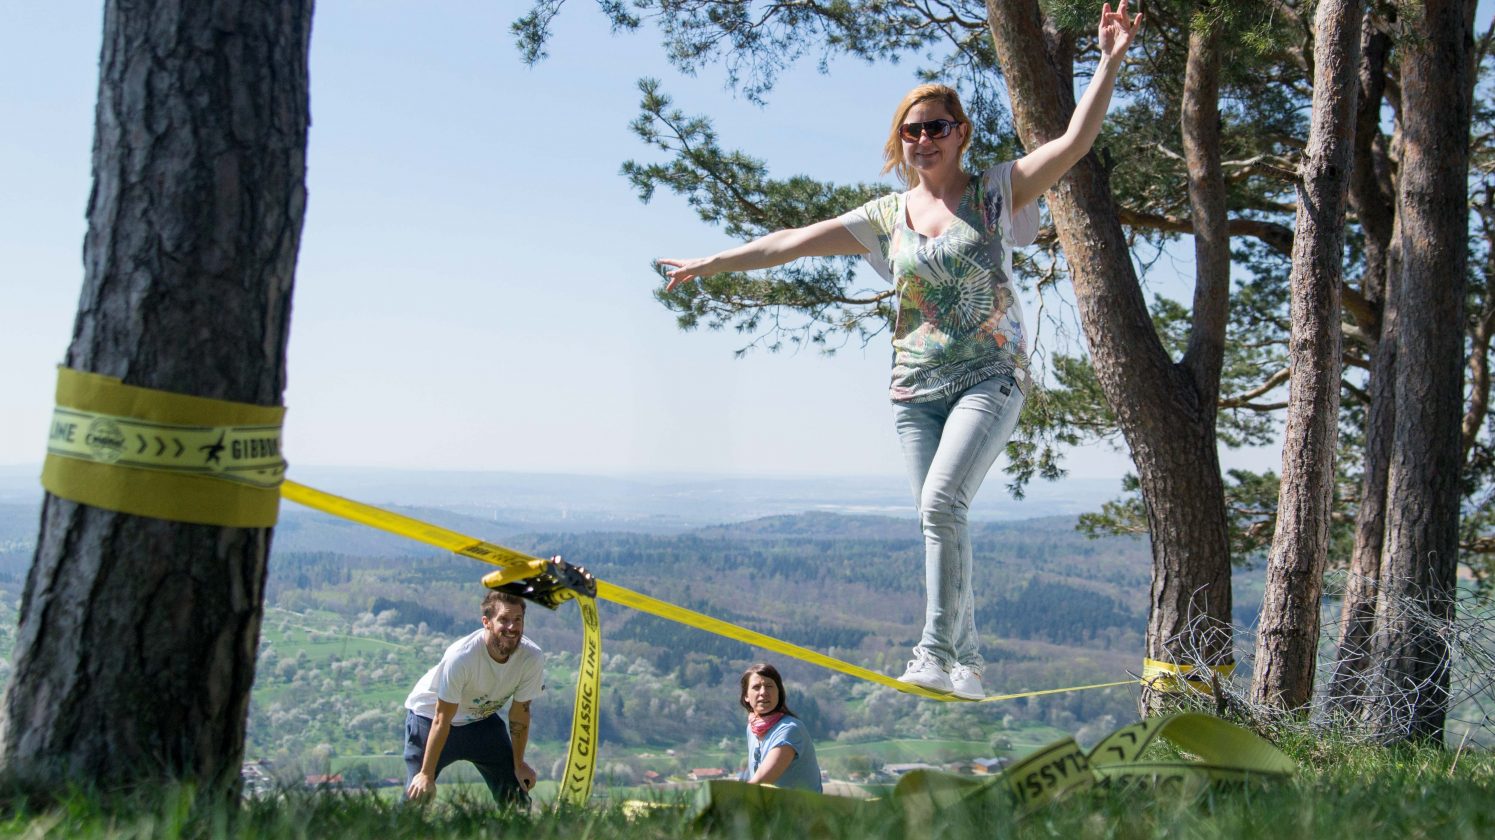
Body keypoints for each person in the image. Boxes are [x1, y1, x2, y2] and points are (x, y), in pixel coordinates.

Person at [658, 4, 1141, 701]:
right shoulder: (886, 218)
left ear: (960, 134)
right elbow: (787, 243)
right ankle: (968, 666)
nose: (922, 139)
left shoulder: (997, 192)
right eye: (910, 131)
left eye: (935, 127)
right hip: (913, 392)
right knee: (941, 519)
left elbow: (1071, 142)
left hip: (989, 377)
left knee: (940, 503)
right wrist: (711, 262)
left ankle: (933, 650)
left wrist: (1111, 60)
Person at [403, 589, 543, 807]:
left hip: (479, 722)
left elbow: (520, 713)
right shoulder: (462, 657)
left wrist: (518, 763)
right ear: (486, 622)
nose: (512, 627)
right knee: (416, 797)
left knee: (516, 795)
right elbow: (442, 718)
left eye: (518, 619)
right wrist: (426, 775)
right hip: (431, 719)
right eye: (503, 620)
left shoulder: (531, 657)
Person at [738, 663, 822, 792]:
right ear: (746, 696)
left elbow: (762, 781)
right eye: (756, 687)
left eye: (769, 686)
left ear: (779, 692)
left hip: (802, 811)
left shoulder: (790, 729)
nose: (763, 692)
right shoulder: (752, 728)